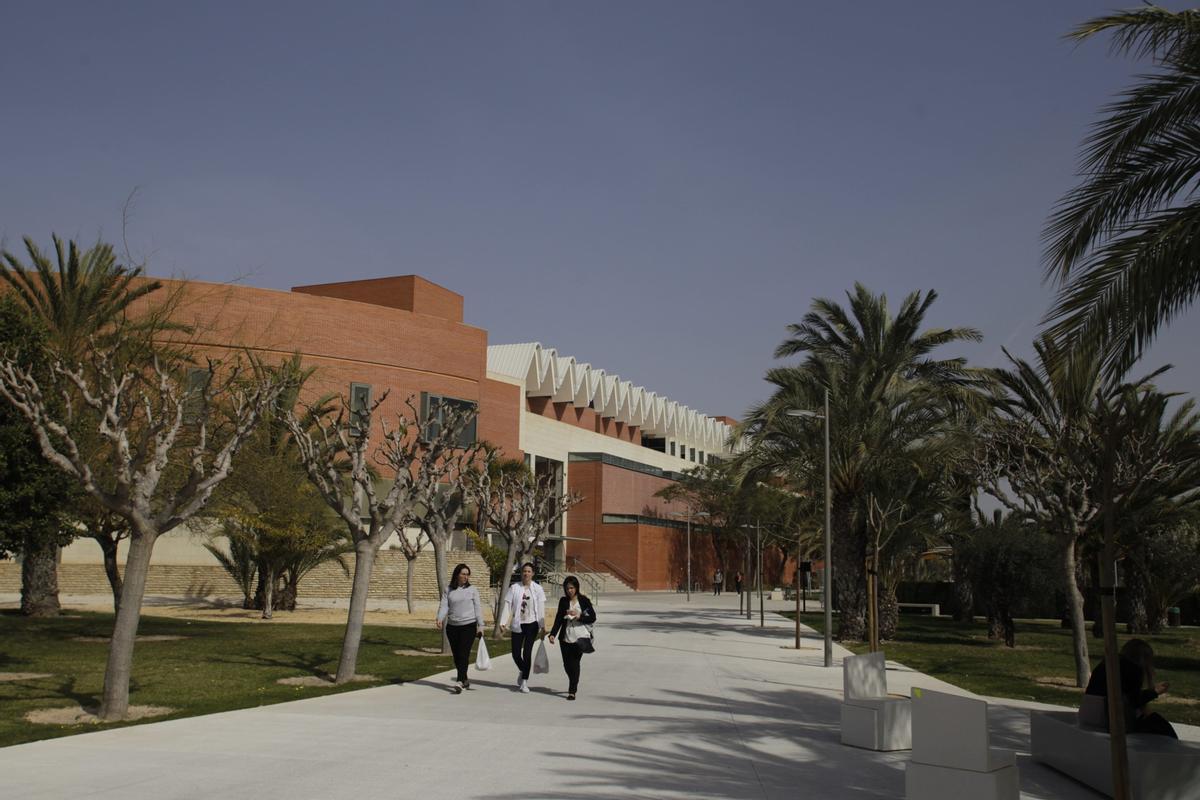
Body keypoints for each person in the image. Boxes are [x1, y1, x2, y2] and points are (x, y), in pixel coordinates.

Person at [1084, 638, 1176, 738]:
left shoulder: (1108, 663)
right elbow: (1134, 701)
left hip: (1089, 712)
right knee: (1163, 727)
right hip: (1107, 718)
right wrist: (1154, 692)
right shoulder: (1133, 669)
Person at [436, 563, 484, 694]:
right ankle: (465, 679)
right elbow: (444, 606)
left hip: (468, 626)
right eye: (463, 574)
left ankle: (459, 681)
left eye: (467, 574)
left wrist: (481, 625)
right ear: (457, 574)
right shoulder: (448, 590)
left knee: (463, 654)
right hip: (452, 627)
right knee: (457, 656)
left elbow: (478, 608)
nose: (465, 576)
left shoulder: (473, 589)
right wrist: (439, 618)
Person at [547, 575, 597, 701]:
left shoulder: (584, 600)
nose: (570, 590)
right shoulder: (563, 601)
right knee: (566, 665)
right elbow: (558, 618)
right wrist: (553, 633)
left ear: (576, 588)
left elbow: (592, 617)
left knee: (574, 664)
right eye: (567, 588)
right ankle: (573, 680)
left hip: (580, 637)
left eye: (572, 588)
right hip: (565, 637)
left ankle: (572, 690)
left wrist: (579, 616)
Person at [499, 562, 546, 693]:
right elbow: (508, 605)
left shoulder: (538, 589)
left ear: (533, 574)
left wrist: (542, 626)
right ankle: (523, 669)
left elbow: (541, 608)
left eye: (529, 571)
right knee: (515, 653)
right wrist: (503, 623)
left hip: (532, 624)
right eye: (524, 571)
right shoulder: (514, 588)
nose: (526, 573)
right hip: (517, 624)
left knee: (527, 653)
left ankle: (524, 681)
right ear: (521, 573)